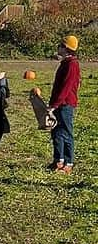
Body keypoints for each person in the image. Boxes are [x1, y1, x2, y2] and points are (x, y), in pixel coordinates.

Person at [49, 34, 80, 173]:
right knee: (56, 132)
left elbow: (66, 88)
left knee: (66, 132)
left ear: (66, 48)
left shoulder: (72, 65)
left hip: (65, 104)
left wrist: (55, 104)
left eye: (61, 45)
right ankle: (59, 160)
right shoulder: (65, 63)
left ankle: (69, 162)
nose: (58, 48)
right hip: (59, 104)